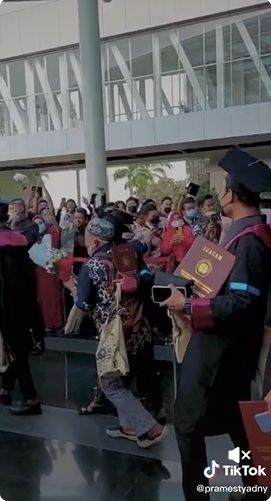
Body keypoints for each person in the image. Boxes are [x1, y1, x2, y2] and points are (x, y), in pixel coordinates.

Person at [161, 147, 271, 501]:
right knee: (237, 420)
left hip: (219, 351)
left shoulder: (251, 242)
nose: (220, 196)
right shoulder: (246, 233)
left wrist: (188, 304)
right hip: (230, 349)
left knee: (189, 426)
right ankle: (256, 488)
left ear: (233, 195)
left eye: (223, 189)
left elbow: (242, 303)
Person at [72, 218, 167, 447]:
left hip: (114, 335)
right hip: (138, 327)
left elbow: (83, 304)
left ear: (93, 240)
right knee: (123, 378)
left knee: (111, 384)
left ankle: (151, 429)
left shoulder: (92, 265)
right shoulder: (127, 252)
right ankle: (129, 427)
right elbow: (142, 250)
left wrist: (70, 284)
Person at [0, 201, 41, 415]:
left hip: (4, 304)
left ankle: (31, 398)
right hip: (23, 303)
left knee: (12, 352)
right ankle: (5, 388)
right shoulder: (21, 240)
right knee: (16, 349)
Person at [33, 209, 64, 332]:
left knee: (55, 293)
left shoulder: (56, 229)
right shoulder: (37, 230)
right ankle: (47, 322)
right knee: (44, 295)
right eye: (44, 214)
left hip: (54, 261)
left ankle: (57, 321)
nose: (47, 216)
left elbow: (61, 244)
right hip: (41, 264)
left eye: (49, 214)